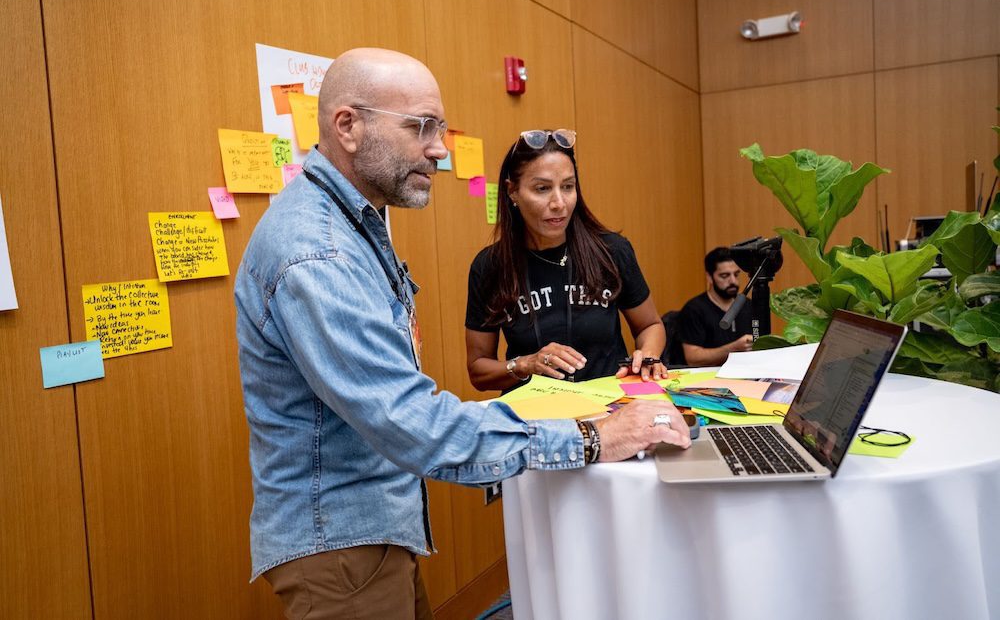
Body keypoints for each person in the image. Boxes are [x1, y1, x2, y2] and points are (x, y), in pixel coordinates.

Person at [234, 47, 691, 620]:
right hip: (339, 543)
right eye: (421, 127)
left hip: (368, 532)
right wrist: (592, 437)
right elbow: (413, 421)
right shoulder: (318, 253)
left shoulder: (353, 227)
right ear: (347, 127)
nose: (439, 149)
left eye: (441, 129)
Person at [465, 129, 668, 390]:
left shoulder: (612, 251)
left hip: (608, 409)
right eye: (542, 188)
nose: (559, 203)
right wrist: (526, 364)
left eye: (568, 187)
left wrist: (648, 355)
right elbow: (478, 369)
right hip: (535, 419)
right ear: (512, 192)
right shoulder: (489, 267)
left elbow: (650, 325)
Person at [677, 247, 754, 366]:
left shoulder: (748, 305)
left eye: (736, 274)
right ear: (709, 277)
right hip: (708, 378)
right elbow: (693, 358)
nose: (733, 281)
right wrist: (734, 348)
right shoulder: (694, 309)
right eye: (724, 276)